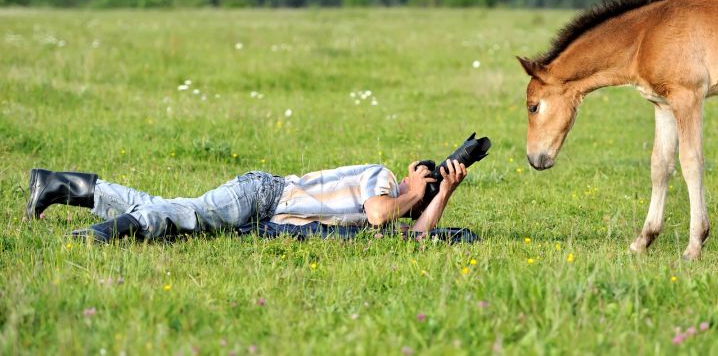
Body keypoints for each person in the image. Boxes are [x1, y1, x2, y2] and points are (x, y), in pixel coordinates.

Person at [25, 160, 469, 242]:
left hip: (265, 216)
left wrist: (443, 192)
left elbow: (416, 236)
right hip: (262, 193)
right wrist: (413, 186)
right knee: (189, 215)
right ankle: (101, 234)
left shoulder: (400, 211)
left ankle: (62, 186)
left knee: (174, 208)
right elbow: (378, 215)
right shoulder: (383, 178)